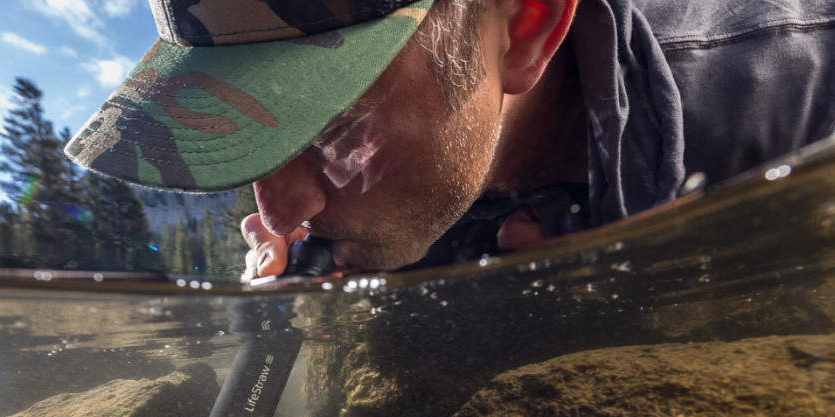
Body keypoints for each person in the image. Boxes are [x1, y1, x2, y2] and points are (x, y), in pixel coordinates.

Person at [65, 0, 835, 280]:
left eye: (334, 125)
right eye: (253, 138)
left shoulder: (801, 93)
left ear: (527, 24)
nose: (284, 205)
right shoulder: (358, 204)